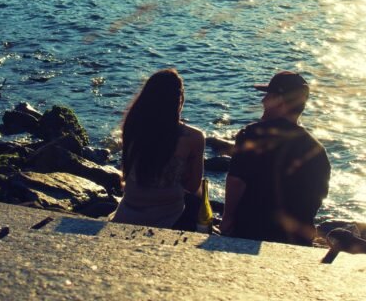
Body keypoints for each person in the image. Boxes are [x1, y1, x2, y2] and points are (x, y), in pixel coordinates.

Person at [220, 71, 330, 245]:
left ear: (280, 101)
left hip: (249, 231)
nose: (263, 101)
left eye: (268, 96)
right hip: (294, 240)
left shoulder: (252, 135)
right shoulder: (317, 150)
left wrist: (227, 218)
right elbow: (315, 199)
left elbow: (236, 181)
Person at [110, 68, 205, 229]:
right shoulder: (193, 137)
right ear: (180, 100)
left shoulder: (132, 125)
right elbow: (193, 186)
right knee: (198, 197)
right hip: (169, 213)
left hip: (129, 208)